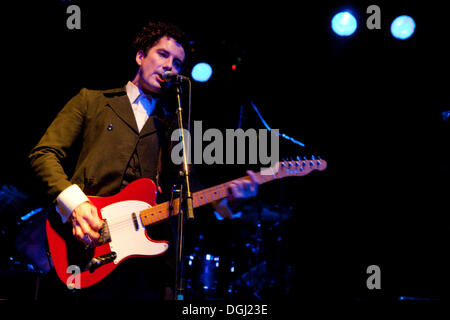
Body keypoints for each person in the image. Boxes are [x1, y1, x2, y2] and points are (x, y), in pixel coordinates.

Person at [29, 21, 258, 300]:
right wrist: (75, 204)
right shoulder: (92, 101)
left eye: (178, 63)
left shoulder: (175, 126)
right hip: (83, 244)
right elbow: (44, 154)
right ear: (140, 56)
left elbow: (190, 193)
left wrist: (229, 200)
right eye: (163, 55)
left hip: (143, 268)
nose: (170, 66)